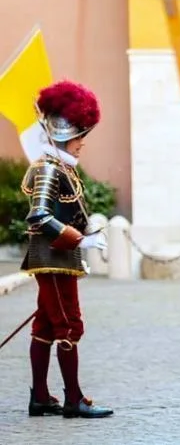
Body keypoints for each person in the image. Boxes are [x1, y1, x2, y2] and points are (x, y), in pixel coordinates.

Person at [21, 80, 113, 419]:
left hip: (58, 258)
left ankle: (40, 397)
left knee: (46, 325)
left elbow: (69, 211)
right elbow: (40, 215)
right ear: (62, 136)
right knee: (69, 325)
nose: (81, 143)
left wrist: (88, 232)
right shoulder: (48, 168)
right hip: (53, 258)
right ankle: (73, 399)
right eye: (78, 137)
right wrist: (80, 240)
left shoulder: (61, 167)